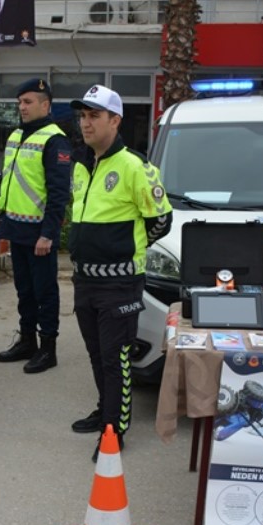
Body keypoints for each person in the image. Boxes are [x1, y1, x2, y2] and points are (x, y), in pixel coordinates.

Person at [67, 85, 173, 462]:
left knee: (116, 358)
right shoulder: (81, 164)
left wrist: (127, 251)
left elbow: (161, 220)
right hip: (84, 279)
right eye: (83, 116)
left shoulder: (134, 166)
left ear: (115, 120)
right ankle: (105, 408)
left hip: (120, 282)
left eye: (94, 116)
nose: (86, 123)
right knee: (96, 355)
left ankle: (114, 428)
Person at [0, 78, 71, 374]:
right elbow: (9, 180)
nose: (22, 107)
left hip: (39, 233)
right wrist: (0, 216)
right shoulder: (16, 135)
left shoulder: (55, 140)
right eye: (20, 102)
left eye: (28, 102)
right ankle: (27, 341)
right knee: (24, 290)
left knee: (45, 292)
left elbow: (58, 193)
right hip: (16, 228)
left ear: (45, 104)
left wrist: (49, 233)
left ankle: (47, 348)